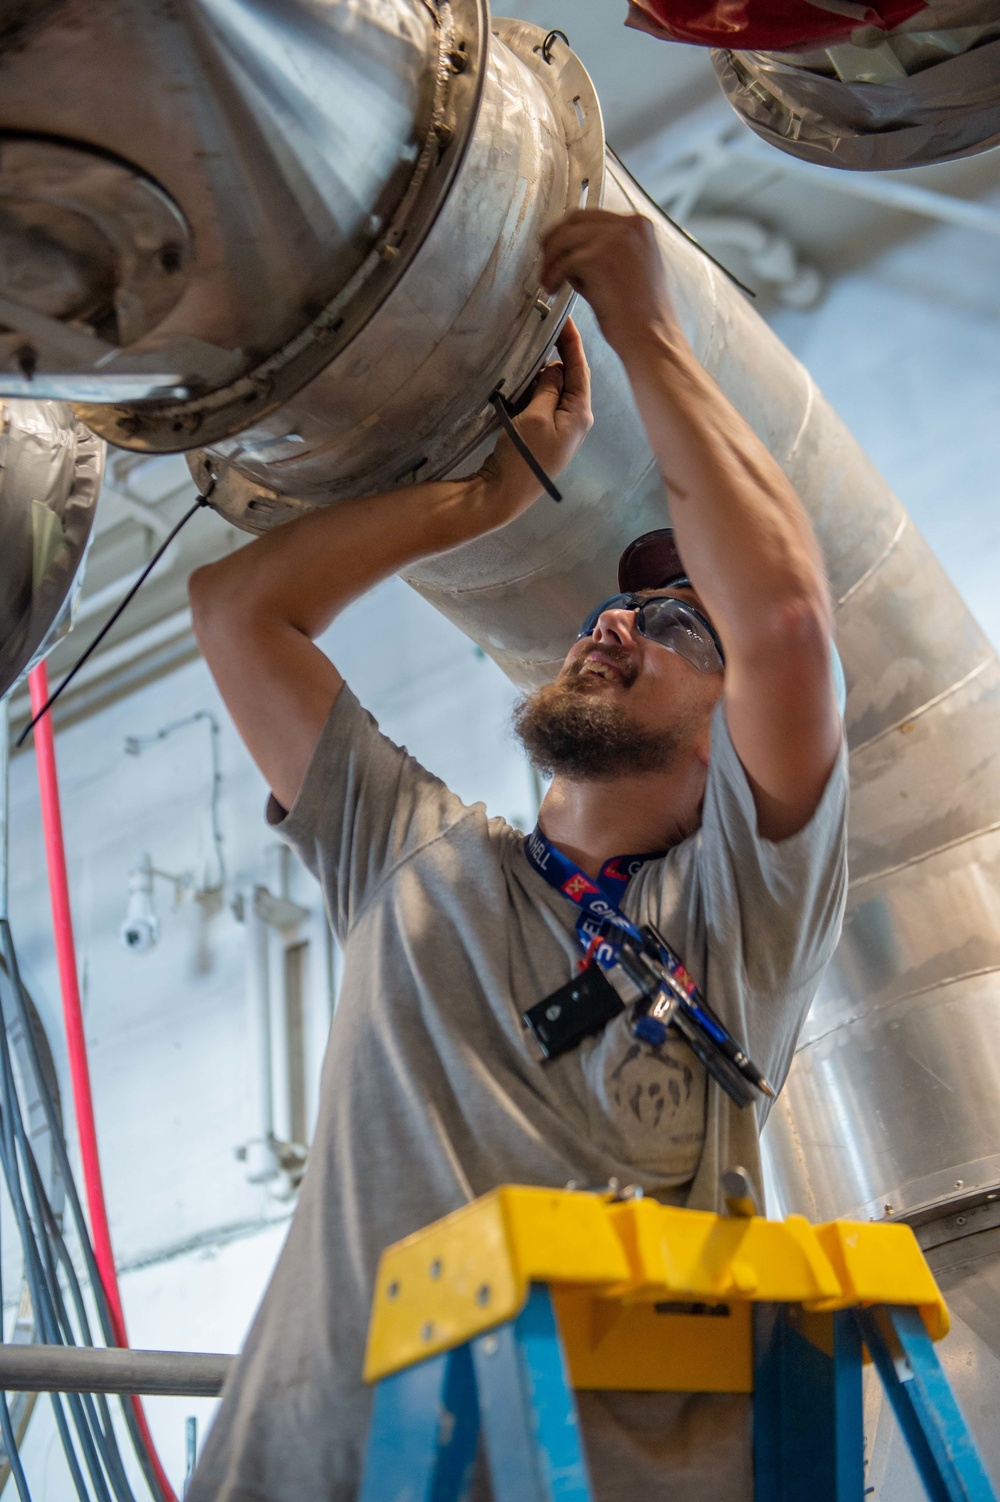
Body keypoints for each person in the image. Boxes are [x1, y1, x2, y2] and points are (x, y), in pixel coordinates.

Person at [186, 210, 847, 1502]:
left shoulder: (737, 910)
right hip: (302, 1472)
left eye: (670, 625)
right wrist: (490, 495)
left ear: (735, 733)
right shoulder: (409, 849)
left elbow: (783, 621)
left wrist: (649, 326)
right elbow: (237, 610)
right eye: (615, 606)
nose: (615, 623)